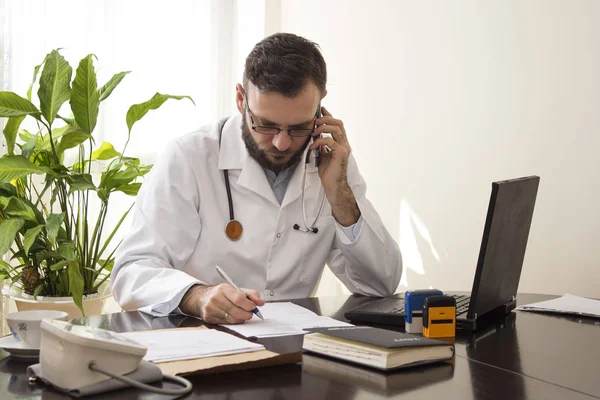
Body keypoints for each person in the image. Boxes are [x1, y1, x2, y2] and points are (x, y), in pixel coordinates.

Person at [111, 32, 402, 324]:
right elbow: (132, 270)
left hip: (291, 348)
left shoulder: (331, 163)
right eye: (266, 125)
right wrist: (196, 296)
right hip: (201, 341)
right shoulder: (189, 157)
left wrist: (340, 195)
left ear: (320, 106)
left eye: (299, 127)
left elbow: (380, 285)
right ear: (241, 100)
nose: (282, 143)